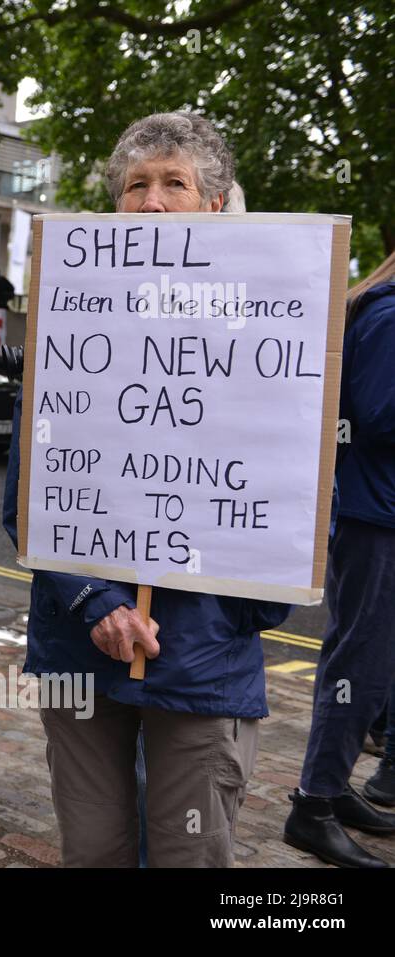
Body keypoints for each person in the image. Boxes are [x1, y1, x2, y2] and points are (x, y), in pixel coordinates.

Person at [3, 111, 292, 868]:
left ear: (213, 202)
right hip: (79, 646)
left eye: (175, 183)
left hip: (201, 662)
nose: (154, 202)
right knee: (94, 847)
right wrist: (96, 603)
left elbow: (291, 510)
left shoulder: (273, 331)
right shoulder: (72, 314)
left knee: (189, 854)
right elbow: (27, 493)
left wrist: (234, 610)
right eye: (137, 184)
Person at [284, 250, 395, 867]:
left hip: (378, 512)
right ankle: (314, 807)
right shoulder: (389, 313)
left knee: (364, 663)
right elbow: (377, 415)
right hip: (374, 518)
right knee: (362, 663)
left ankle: (332, 788)